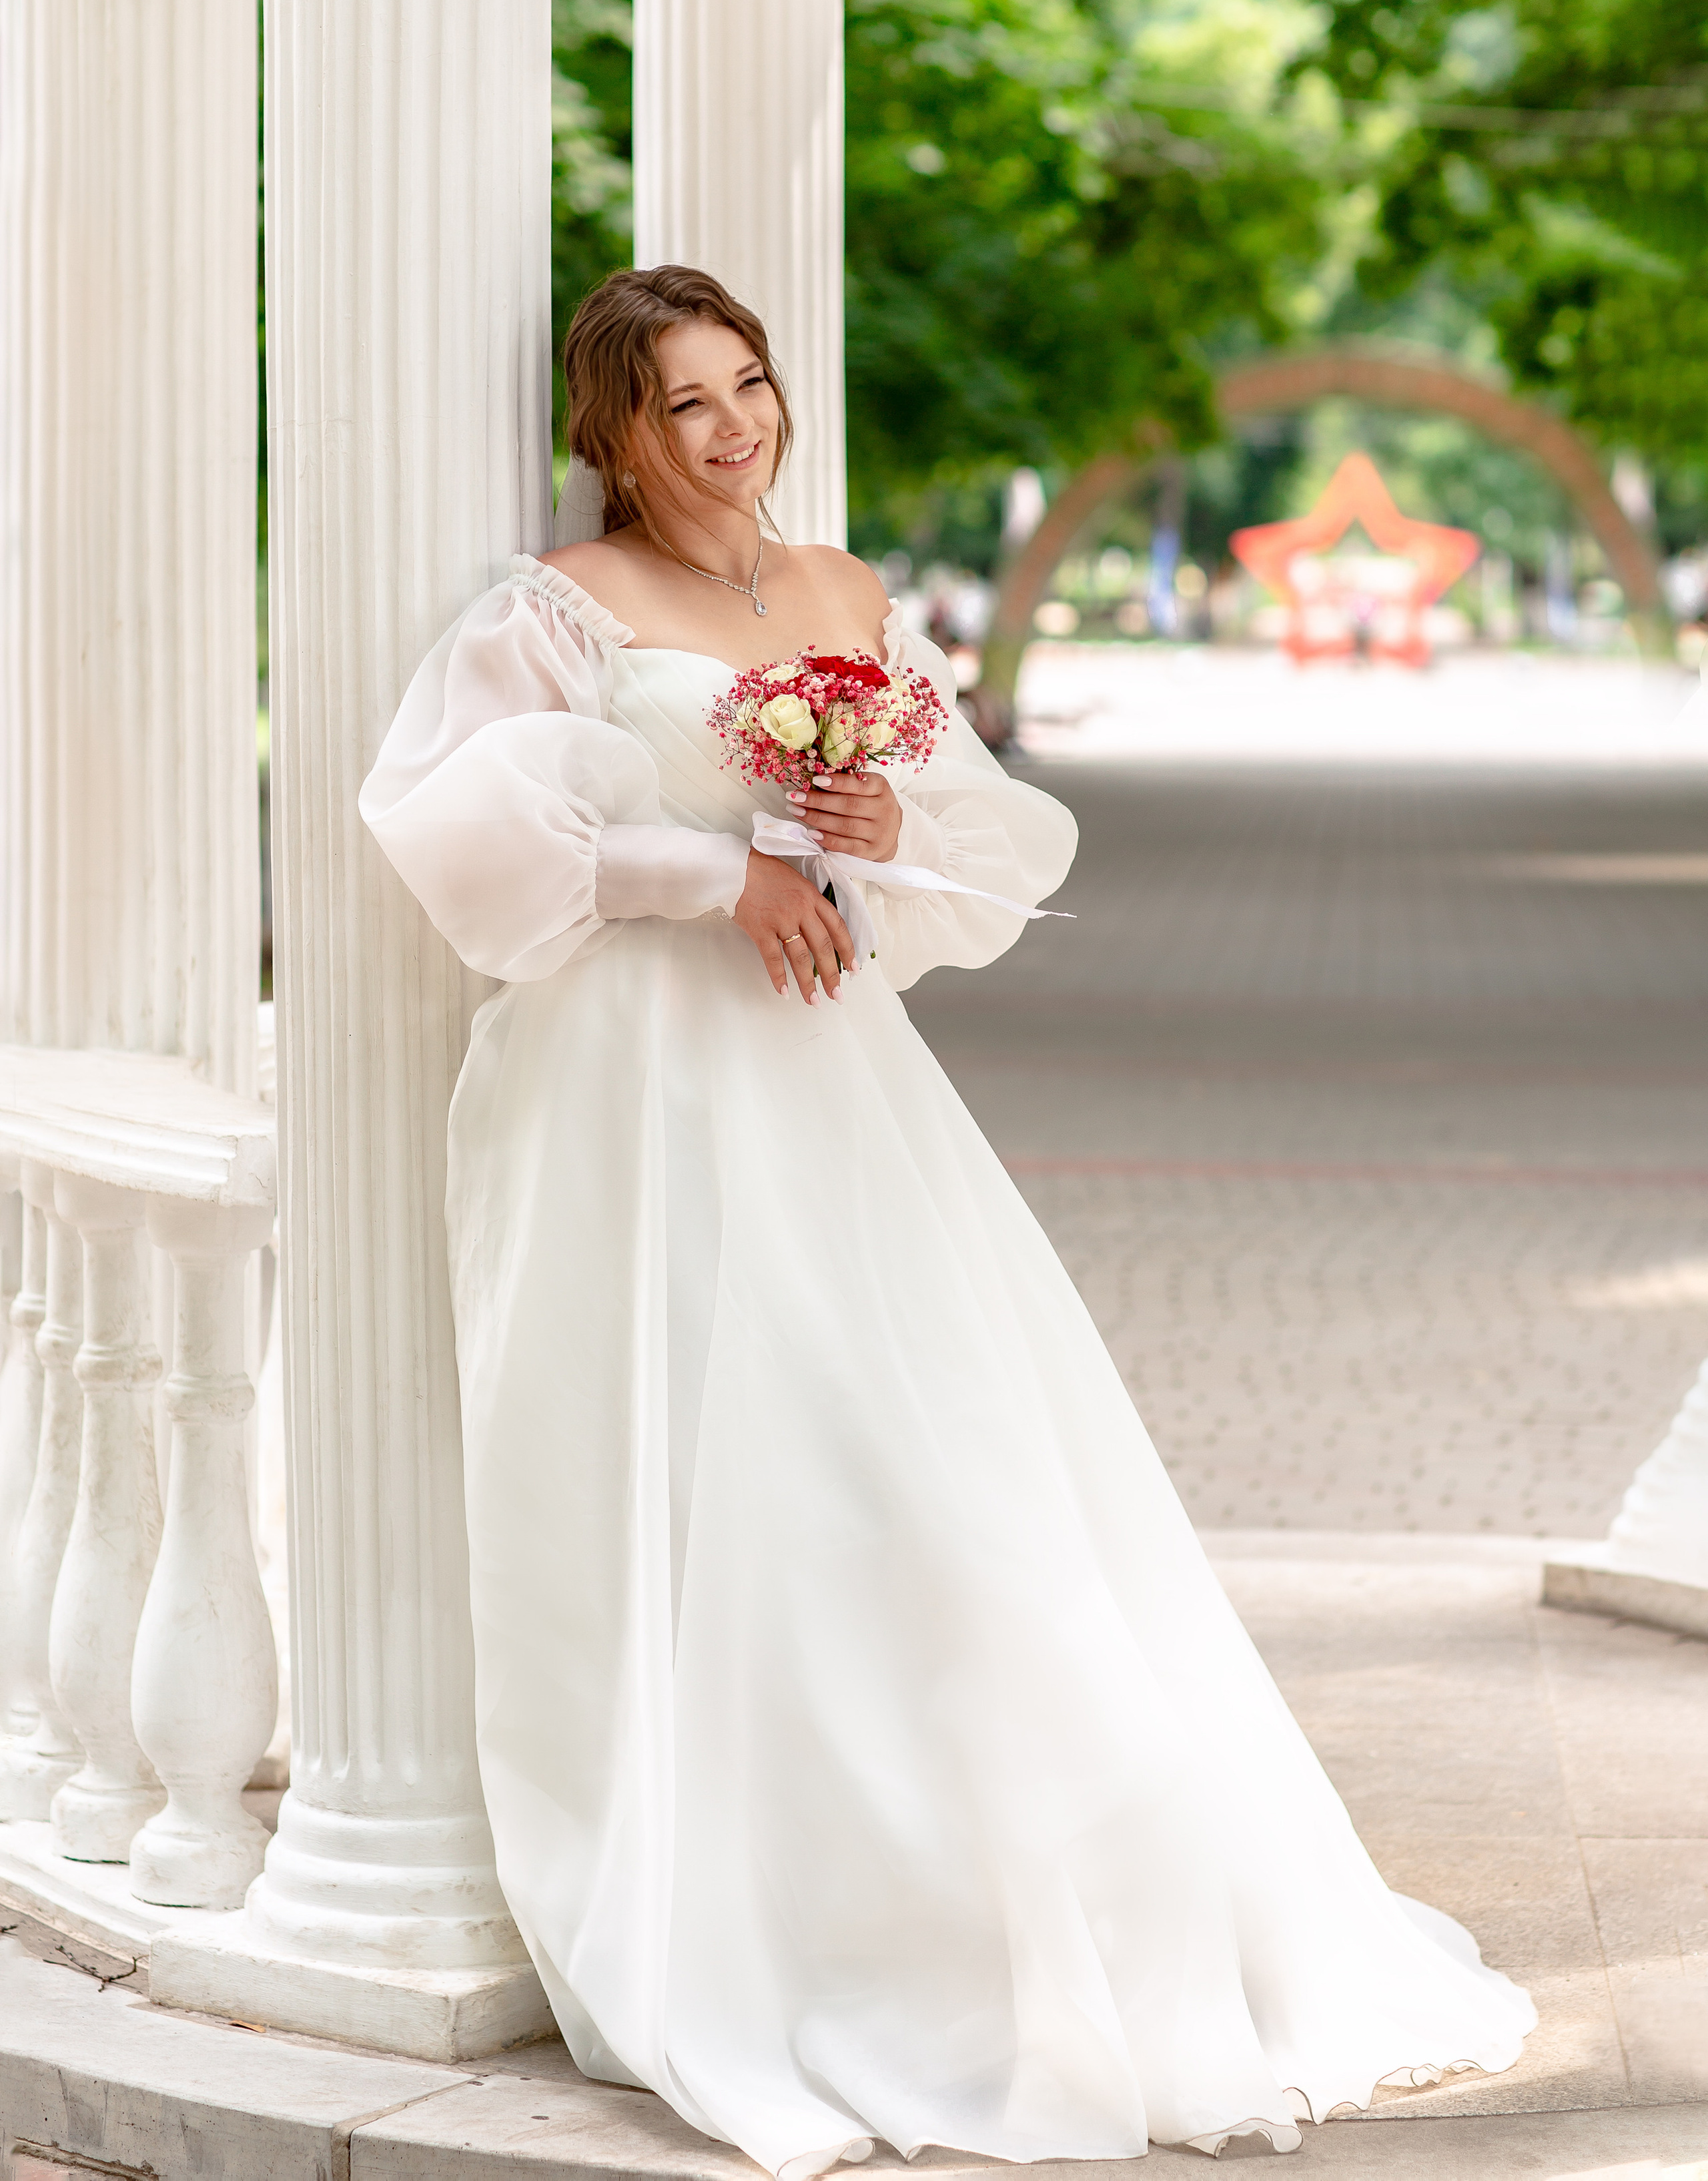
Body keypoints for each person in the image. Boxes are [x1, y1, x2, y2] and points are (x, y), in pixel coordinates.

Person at [359, 265, 1533, 2176]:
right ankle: (740, 1905)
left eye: (749, 386)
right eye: (683, 402)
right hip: (620, 1101)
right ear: (610, 432)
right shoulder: (554, 612)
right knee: (668, 1489)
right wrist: (711, 868)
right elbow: (457, 837)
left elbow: (956, 846)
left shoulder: (841, 598)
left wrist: (872, 843)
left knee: (920, 1476)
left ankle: (993, 1915)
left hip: (825, 1089)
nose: (733, 429)